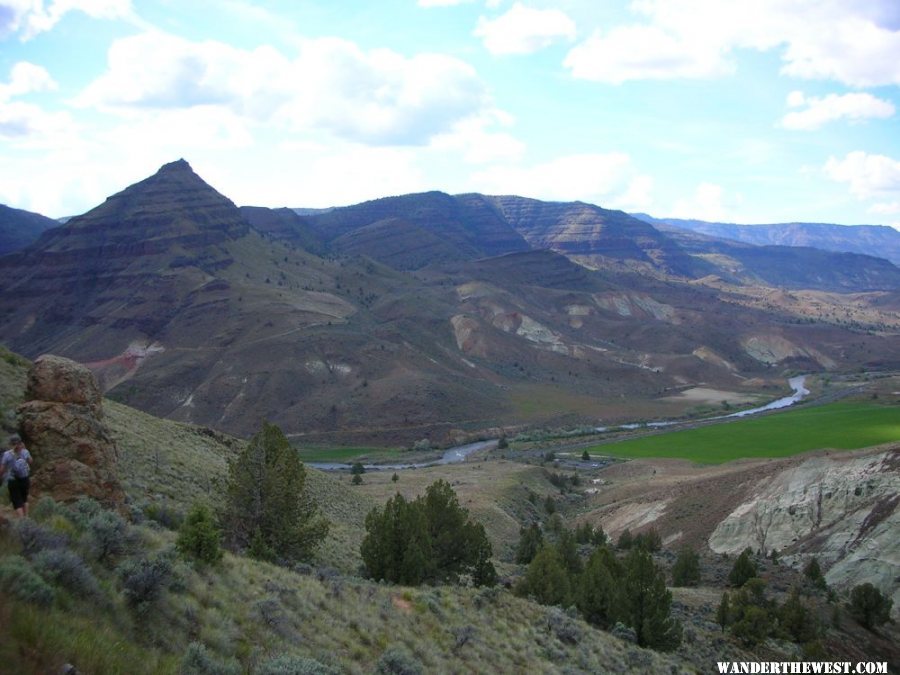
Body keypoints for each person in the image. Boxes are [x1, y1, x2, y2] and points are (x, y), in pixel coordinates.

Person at [1, 434, 32, 518]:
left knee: (17, 501)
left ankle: (22, 521)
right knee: (24, 499)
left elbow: (2, 469)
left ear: (11, 444)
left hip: (13, 480)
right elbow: (30, 462)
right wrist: (25, 450)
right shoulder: (25, 452)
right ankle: (26, 518)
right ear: (20, 443)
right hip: (24, 478)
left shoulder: (7, 454)